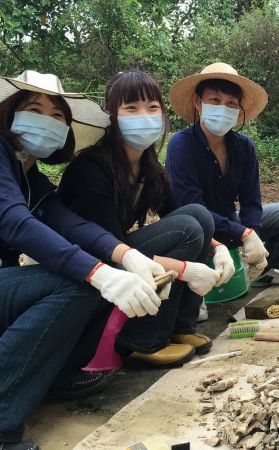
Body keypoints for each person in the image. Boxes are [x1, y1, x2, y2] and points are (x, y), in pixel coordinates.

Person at [0, 71, 172, 449]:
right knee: (78, 278)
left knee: (94, 266)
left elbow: (71, 224)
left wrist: (127, 257)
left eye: (57, 115)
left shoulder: (30, 179)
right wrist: (101, 274)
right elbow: (14, 222)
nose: (47, 120)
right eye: (34, 108)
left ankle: (60, 372)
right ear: (7, 114)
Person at [59, 70, 235, 366]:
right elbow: (111, 247)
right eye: (131, 108)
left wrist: (218, 248)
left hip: (119, 249)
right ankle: (143, 340)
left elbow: (180, 211)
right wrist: (185, 269)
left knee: (197, 217)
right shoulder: (92, 167)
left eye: (152, 107)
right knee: (188, 229)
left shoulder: (148, 166)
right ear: (112, 117)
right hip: (87, 259)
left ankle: (180, 328)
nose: (144, 115)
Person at [166, 62, 279, 289]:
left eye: (231, 103)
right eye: (215, 100)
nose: (223, 108)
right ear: (197, 102)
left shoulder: (244, 146)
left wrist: (254, 237)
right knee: (192, 226)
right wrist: (243, 233)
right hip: (196, 230)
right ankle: (192, 293)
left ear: (238, 109)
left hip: (231, 222)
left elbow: (251, 199)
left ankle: (269, 272)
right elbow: (190, 205)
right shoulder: (180, 146)